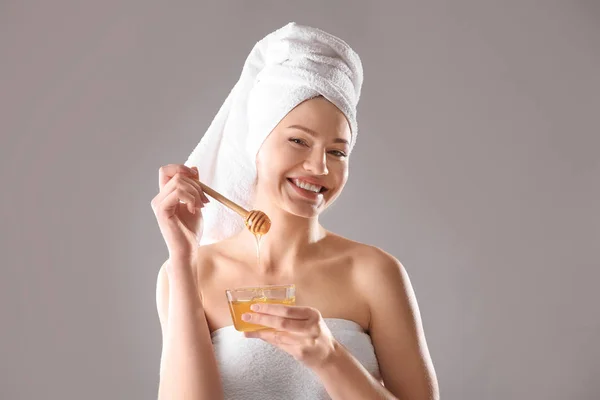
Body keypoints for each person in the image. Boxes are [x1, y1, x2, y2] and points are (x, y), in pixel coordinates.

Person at [151, 23, 439, 400]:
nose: (319, 168)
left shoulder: (374, 273)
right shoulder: (192, 273)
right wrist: (184, 258)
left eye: (337, 151)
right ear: (256, 142)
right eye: (298, 141)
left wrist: (328, 355)